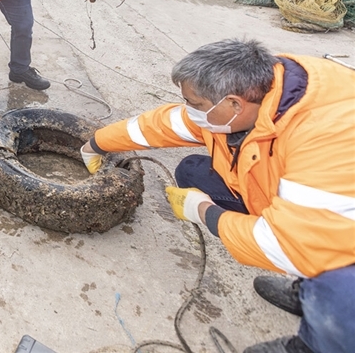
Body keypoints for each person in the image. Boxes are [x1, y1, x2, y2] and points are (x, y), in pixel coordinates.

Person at [80, 39, 355, 353]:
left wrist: (206, 213)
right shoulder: (258, 88)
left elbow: (292, 246)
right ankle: (306, 289)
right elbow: (161, 125)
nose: (189, 111)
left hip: (342, 229)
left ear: (234, 104)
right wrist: (96, 143)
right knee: (193, 171)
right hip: (315, 205)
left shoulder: (328, 137)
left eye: (194, 104)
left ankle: (310, 342)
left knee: (340, 289)